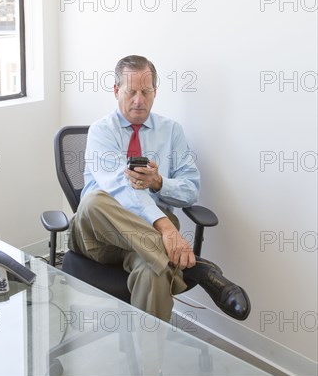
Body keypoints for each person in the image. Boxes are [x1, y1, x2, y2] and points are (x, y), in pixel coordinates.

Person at [68, 55, 250, 322]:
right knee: (96, 200)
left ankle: (151, 364)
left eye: (146, 91)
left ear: (156, 91)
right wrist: (165, 227)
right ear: (117, 91)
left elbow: (190, 190)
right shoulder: (100, 131)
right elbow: (118, 186)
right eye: (131, 92)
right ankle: (194, 267)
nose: (139, 100)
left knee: (152, 271)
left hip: (146, 241)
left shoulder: (172, 131)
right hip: (99, 233)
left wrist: (158, 182)